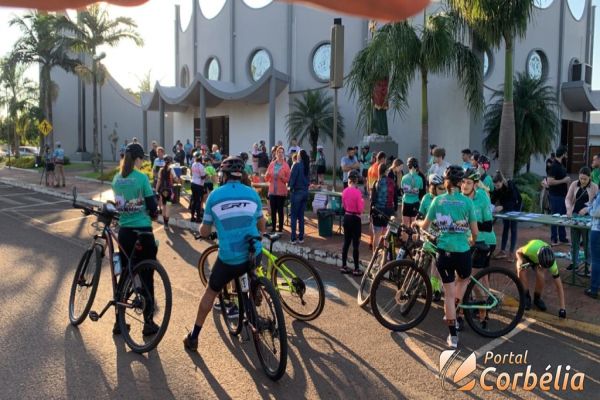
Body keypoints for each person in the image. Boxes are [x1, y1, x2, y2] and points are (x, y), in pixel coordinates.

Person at [184, 157, 266, 351]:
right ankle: (255, 290)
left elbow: (204, 231)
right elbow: (262, 224)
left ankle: (194, 337)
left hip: (229, 258)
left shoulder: (214, 196)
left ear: (224, 175)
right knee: (250, 270)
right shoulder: (252, 194)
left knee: (211, 292)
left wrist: (205, 231)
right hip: (254, 252)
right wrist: (257, 236)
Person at [414, 165, 478, 349]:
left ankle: (453, 337)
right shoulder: (467, 203)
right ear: (460, 183)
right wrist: (472, 241)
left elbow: (425, 226)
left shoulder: (437, 201)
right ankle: (455, 310)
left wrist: (417, 222)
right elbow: (475, 232)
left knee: (448, 295)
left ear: (446, 182)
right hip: (462, 251)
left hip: (443, 252)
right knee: (464, 280)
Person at [111, 143, 160, 335]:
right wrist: (153, 213)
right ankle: (148, 323)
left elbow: (119, 204)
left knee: (125, 274)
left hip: (124, 232)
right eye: (142, 159)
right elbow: (152, 206)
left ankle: (119, 322)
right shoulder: (141, 178)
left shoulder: (116, 179)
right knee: (147, 276)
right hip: (143, 231)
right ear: (138, 159)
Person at [515, 240, 566, 318]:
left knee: (541, 276)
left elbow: (559, 286)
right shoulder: (529, 249)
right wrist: (521, 261)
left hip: (538, 260)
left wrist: (562, 309)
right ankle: (525, 296)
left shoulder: (553, 264)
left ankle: (537, 298)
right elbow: (517, 252)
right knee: (521, 269)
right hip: (526, 256)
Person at [565, 167, 598, 276]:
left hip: (588, 218)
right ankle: (574, 263)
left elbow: (596, 203)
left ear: (589, 177)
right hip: (574, 216)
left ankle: (588, 265)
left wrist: (587, 209)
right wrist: (569, 208)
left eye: (585, 179)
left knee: (587, 243)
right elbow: (568, 198)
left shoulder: (594, 187)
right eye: (581, 178)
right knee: (574, 241)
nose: (582, 181)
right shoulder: (574, 184)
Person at [417, 174, 445, 302]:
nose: (442, 190)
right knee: (421, 261)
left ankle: (436, 289)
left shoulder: (444, 200)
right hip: (427, 235)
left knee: (435, 265)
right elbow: (420, 215)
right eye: (440, 188)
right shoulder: (426, 198)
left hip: (440, 237)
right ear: (432, 188)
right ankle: (419, 285)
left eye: (443, 188)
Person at [462, 168, 496, 271]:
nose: (465, 185)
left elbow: (488, 226)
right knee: (481, 279)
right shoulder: (459, 198)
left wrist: (469, 223)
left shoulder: (482, 197)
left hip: (485, 241)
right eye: (463, 182)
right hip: (467, 241)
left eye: (469, 183)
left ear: (475, 185)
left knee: (471, 277)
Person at [491, 171, 522, 262]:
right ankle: (502, 251)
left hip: (515, 206)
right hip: (506, 208)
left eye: (497, 185)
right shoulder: (497, 189)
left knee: (513, 228)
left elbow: (514, 200)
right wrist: (490, 207)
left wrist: (502, 206)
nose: (496, 187)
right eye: (495, 186)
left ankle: (512, 253)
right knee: (506, 227)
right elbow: (493, 199)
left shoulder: (510, 185)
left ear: (501, 181)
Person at [543, 146, 570, 245]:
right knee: (555, 216)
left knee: (562, 216)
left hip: (562, 195)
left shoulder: (561, 165)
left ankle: (562, 238)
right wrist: (564, 180)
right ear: (563, 154)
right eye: (566, 153)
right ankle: (554, 239)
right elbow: (550, 181)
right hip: (556, 195)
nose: (567, 156)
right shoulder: (554, 166)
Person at [340, 170, 365, 275]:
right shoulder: (358, 192)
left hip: (347, 217)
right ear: (356, 180)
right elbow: (360, 209)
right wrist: (362, 203)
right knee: (355, 244)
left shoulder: (344, 191)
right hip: (355, 218)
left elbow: (344, 206)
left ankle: (344, 266)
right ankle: (356, 268)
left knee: (346, 242)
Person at [370, 163, 396, 253]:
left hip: (378, 211)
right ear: (386, 171)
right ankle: (385, 256)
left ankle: (374, 255)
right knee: (386, 235)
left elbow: (373, 199)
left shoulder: (376, 182)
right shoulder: (392, 182)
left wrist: (371, 213)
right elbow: (394, 197)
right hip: (389, 211)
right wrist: (393, 211)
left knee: (376, 235)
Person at [265, 146, 291, 233]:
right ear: (276, 154)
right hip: (272, 191)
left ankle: (280, 229)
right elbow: (266, 178)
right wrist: (267, 175)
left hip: (281, 192)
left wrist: (282, 177)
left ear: (283, 154)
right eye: (278, 152)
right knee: (273, 211)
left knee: (280, 210)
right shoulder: (272, 164)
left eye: (282, 152)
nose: (280, 154)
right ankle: (273, 228)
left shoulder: (286, 165)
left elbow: (288, 180)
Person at [289, 150, 310, 244]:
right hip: (305, 192)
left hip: (297, 192)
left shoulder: (296, 165)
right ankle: (301, 237)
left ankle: (293, 238)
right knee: (301, 216)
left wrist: (290, 188)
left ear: (299, 156)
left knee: (293, 216)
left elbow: (292, 179)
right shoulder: (306, 166)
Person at [584, 190, 600, 298]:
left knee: (596, 261)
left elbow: (596, 212)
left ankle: (594, 289)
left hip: (597, 230)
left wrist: (588, 208)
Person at [155, 156, 179, 228]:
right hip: (170, 191)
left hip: (162, 191)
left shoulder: (160, 170)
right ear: (170, 162)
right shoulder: (171, 170)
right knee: (168, 206)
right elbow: (176, 179)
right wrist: (178, 180)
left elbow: (159, 181)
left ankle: (164, 223)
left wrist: (156, 190)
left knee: (164, 206)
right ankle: (166, 223)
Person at [401, 157, 423, 226]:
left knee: (405, 225)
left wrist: (409, 190)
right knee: (414, 225)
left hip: (406, 202)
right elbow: (420, 188)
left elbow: (403, 189)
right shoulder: (420, 178)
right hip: (415, 202)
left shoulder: (404, 177)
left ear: (409, 166)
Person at [190, 151, 206, 222]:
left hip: (193, 183)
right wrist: (206, 175)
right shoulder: (201, 166)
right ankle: (198, 218)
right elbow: (202, 177)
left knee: (194, 200)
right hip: (199, 185)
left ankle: (192, 216)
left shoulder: (193, 164)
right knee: (198, 201)